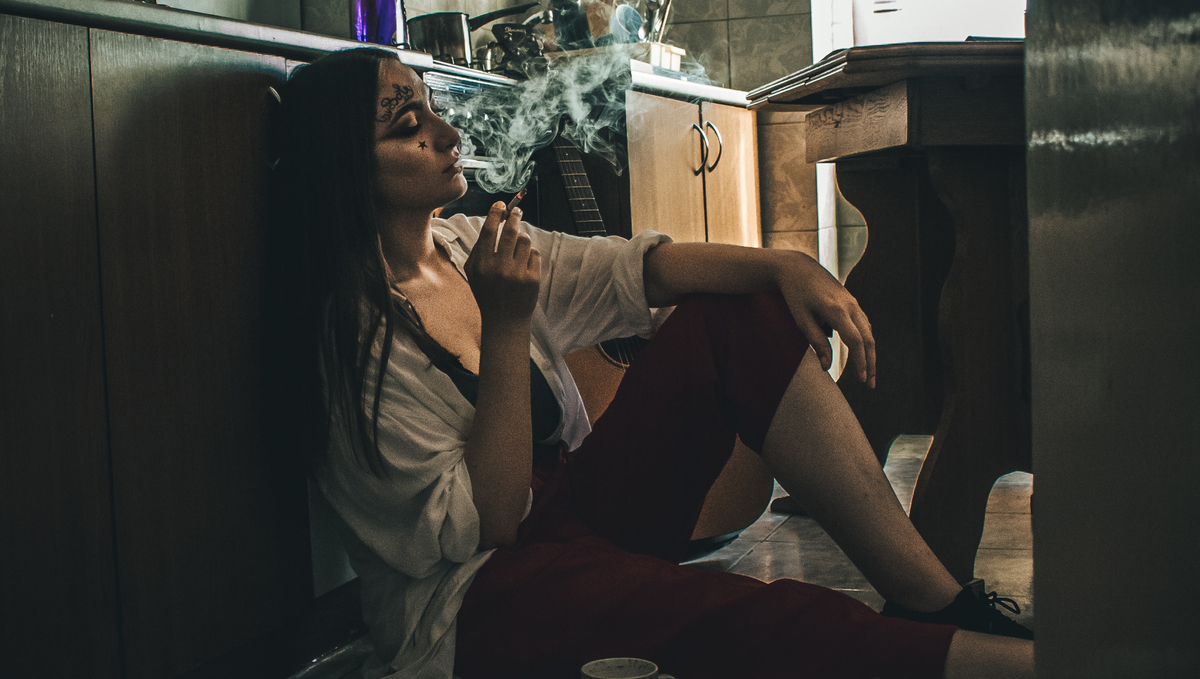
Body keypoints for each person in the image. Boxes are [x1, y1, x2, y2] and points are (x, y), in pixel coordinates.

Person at [268, 47, 1035, 679]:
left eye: (432, 104)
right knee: (740, 620)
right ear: (347, 171)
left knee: (741, 313)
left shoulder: (466, 244)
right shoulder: (355, 349)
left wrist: (781, 267)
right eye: (409, 123)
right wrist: (506, 328)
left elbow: (637, 271)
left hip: (571, 521)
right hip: (481, 606)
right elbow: (491, 527)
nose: (443, 129)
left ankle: (934, 602)